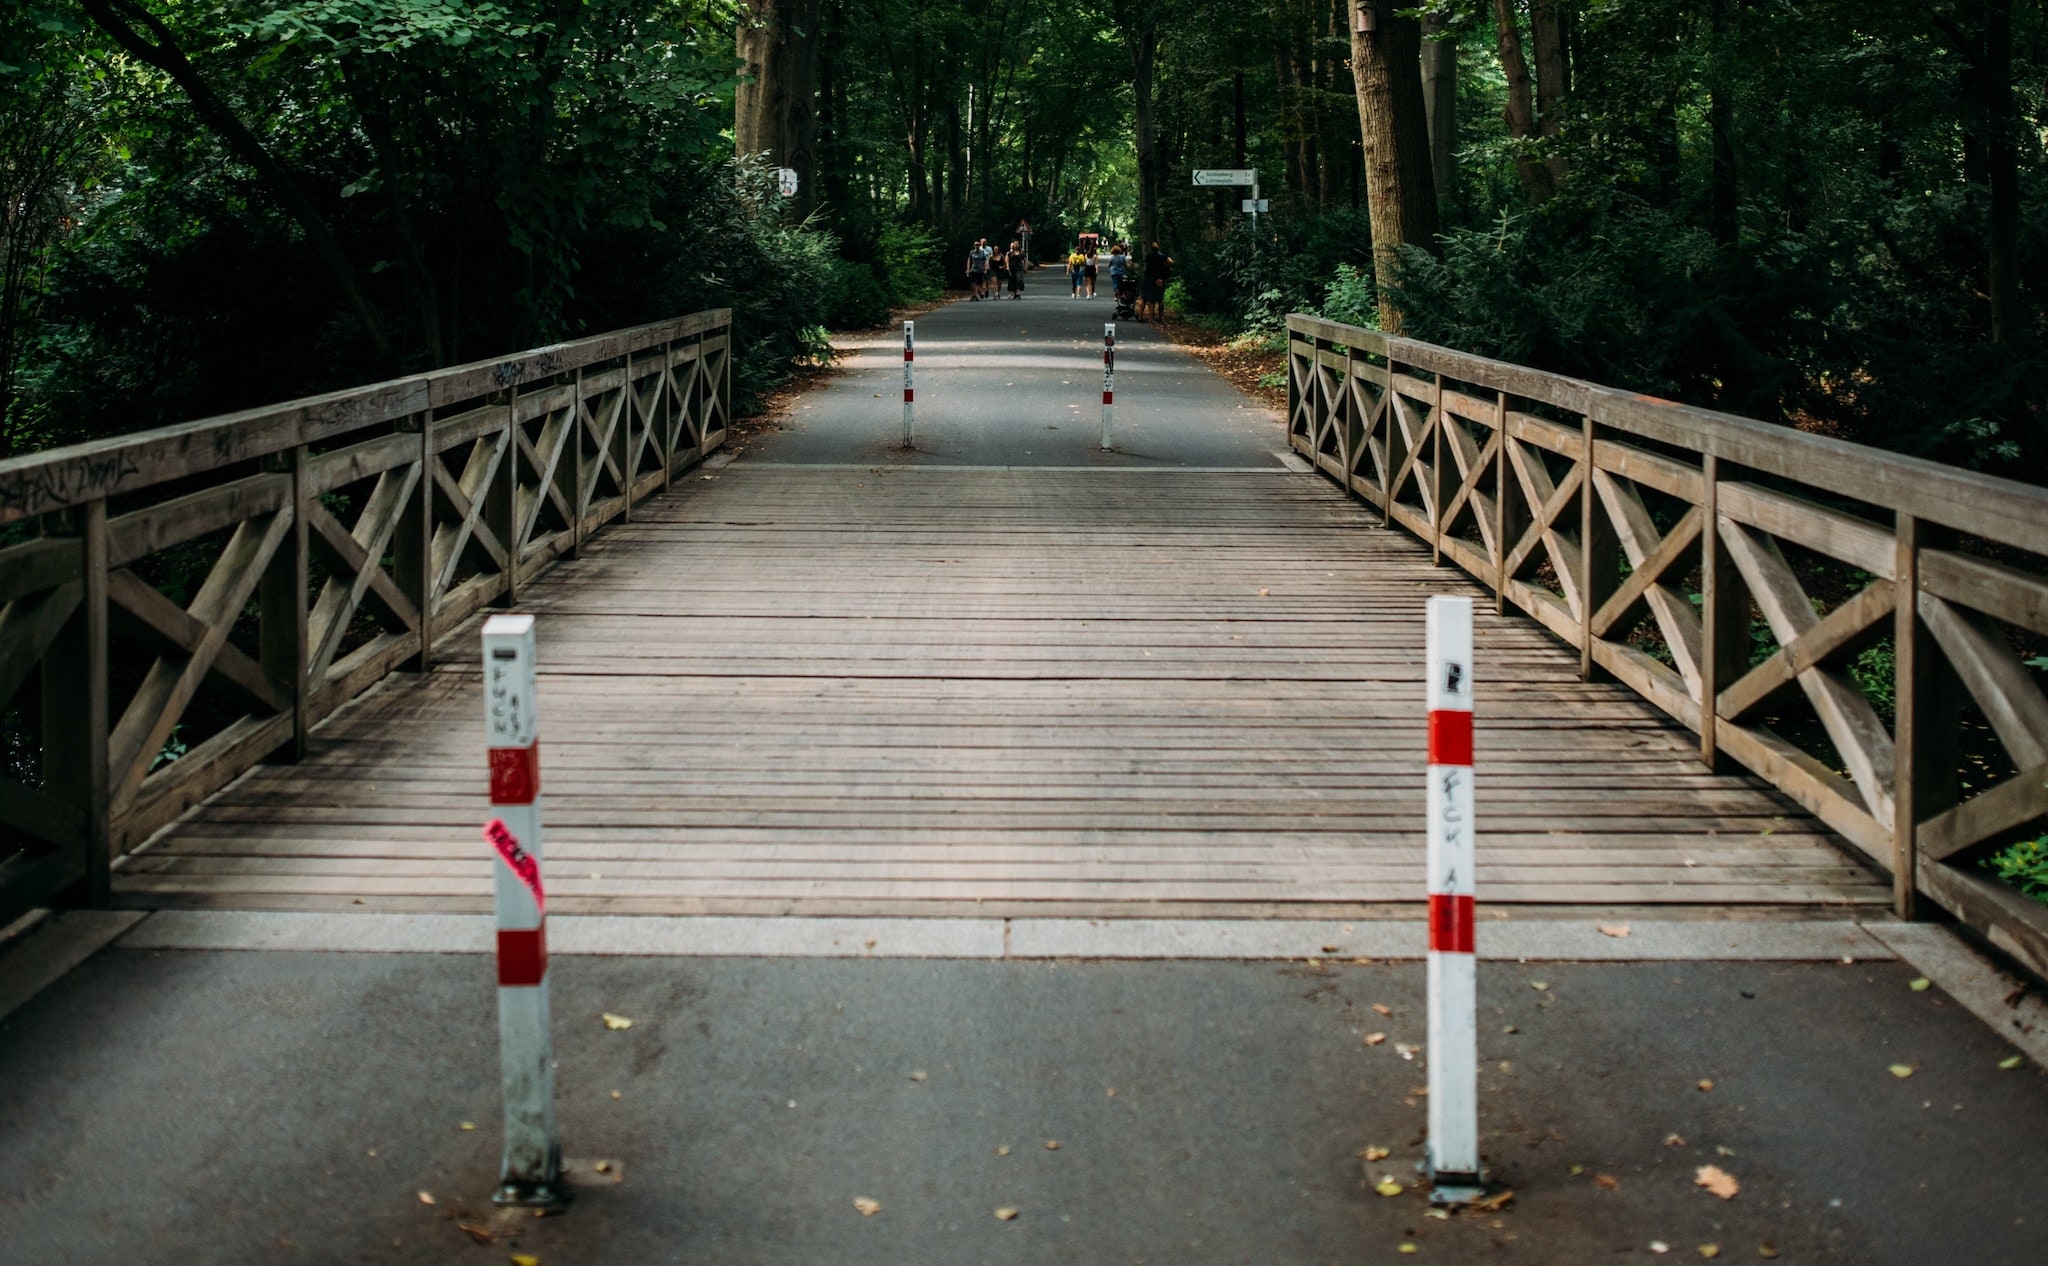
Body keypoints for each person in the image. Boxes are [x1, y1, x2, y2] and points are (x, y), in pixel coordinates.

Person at [1140, 240, 1173, 322]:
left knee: (1146, 298)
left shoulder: (1148, 257)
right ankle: (1158, 317)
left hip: (1148, 278)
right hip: (1160, 279)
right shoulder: (1163, 257)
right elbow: (1170, 263)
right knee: (1158, 299)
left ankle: (1144, 317)